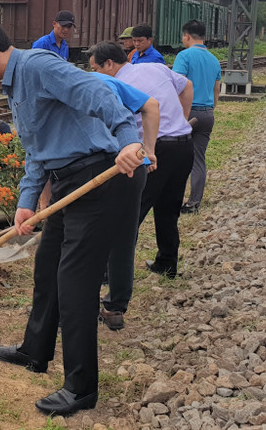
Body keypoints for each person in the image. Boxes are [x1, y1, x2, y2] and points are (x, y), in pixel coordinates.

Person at [0, 21, 144, 416]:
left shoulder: (39, 66)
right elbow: (36, 149)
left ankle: (80, 388)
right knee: (47, 268)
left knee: (75, 285)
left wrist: (129, 140)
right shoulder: (15, 85)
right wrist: (26, 201)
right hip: (65, 182)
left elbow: (98, 93)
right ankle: (34, 350)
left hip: (97, 178)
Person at [89, 41, 194, 326]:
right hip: (184, 144)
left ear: (109, 64)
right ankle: (167, 262)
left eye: (96, 68)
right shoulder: (155, 67)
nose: (95, 74)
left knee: (127, 218)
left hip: (154, 151)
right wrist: (182, 119)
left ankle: (110, 279)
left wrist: (149, 147)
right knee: (169, 208)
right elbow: (187, 86)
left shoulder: (117, 85)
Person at [172, 19, 222, 214]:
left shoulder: (184, 56)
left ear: (187, 36)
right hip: (207, 113)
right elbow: (216, 89)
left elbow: (178, 85)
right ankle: (194, 203)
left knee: (177, 159)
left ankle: (173, 200)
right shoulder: (214, 59)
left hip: (187, 112)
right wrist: (211, 108)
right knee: (198, 159)